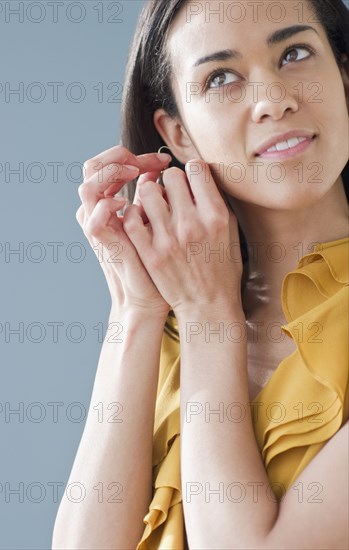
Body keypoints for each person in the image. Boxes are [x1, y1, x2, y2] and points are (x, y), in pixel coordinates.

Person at [52, 0, 349, 548]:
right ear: (179, 133)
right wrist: (136, 311)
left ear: (345, 78)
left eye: (296, 53)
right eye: (221, 77)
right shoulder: (174, 328)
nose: (274, 100)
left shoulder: (198, 312)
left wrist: (209, 315)